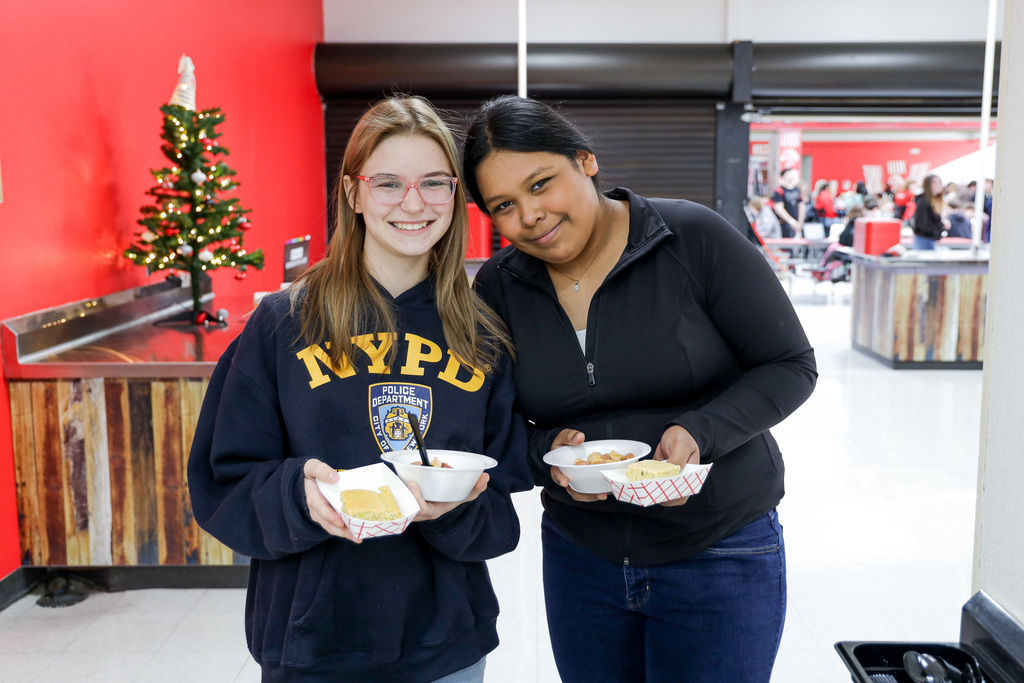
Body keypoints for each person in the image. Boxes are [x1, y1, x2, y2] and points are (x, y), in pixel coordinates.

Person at [463, 95, 818, 683]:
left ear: (586, 161)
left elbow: (789, 364)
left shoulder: (692, 238)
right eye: (504, 205)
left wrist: (699, 432)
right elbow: (490, 425)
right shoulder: (499, 289)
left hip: (720, 550)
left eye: (542, 183)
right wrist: (546, 452)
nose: (529, 215)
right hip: (583, 559)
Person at [187, 95, 533, 683]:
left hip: (444, 645)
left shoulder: (483, 336)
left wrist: (449, 513)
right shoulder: (282, 323)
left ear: (456, 194)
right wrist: (300, 497)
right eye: (389, 183)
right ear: (353, 193)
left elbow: (500, 511)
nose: (413, 203)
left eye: (434, 183)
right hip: (312, 643)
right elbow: (221, 484)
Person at [911, 173, 950, 250]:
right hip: (924, 239)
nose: (939, 185)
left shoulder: (932, 202)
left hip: (928, 239)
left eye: (939, 182)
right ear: (928, 185)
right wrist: (941, 225)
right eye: (935, 182)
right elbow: (924, 225)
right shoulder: (923, 202)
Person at [772, 166, 805, 237]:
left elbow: (801, 206)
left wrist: (800, 223)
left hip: (797, 224)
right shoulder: (779, 191)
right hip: (784, 224)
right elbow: (778, 208)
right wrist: (791, 221)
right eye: (789, 173)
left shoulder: (797, 190)